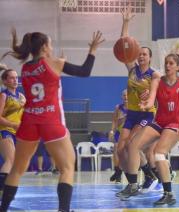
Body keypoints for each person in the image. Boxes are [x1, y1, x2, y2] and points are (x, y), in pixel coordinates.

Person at [0, 28, 104, 212]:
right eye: (50, 44)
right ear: (44, 47)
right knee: (67, 166)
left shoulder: (25, 69)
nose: (51, 47)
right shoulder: (54, 63)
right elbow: (85, 71)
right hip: (50, 119)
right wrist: (93, 50)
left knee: (17, 169)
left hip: (29, 121)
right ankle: (63, 210)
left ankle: (3, 207)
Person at [117, 53, 179, 206]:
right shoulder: (157, 81)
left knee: (158, 154)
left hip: (174, 124)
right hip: (159, 122)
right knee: (133, 146)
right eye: (165, 63)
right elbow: (151, 100)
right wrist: (146, 105)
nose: (167, 66)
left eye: (170, 63)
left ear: (177, 67)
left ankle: (168, 193)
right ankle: (133, 184)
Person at [115, 6, 161, 195]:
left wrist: (150, 97)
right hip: (131, 114)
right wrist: (126, 22)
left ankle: (134, 184)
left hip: (146, 114)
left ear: (149, 58)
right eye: (139, 53)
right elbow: (125, 44)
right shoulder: (132, 69)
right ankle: (145, 174)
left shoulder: (154, 74)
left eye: (144, 54)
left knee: (130, 146)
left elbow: (158, 94)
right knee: (120, 150)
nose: (141, 55)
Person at [0, 66, 25, 197]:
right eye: (11, 77)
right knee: (10, 160)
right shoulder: (4, 95)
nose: (15, 80)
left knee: (14, 163)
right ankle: (2, 190)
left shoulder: (21, 97)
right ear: (5, 81)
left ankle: (5, 189)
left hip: (16, 133)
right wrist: (13, 125)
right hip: (4, 130)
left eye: (16, 77)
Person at [109, 89, 127, 183]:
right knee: (116, 150)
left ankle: (119, 173)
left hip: (130, 133)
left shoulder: (135, 107)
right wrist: (112, 131)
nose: (126, 97)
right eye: (124, 95)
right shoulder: (118, 108)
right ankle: (118, 173)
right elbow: (114, 121)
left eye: (127, 95)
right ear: (121, 97)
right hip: (119, 133)